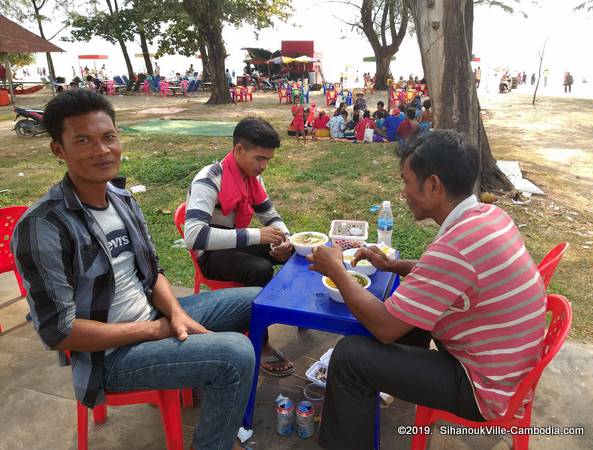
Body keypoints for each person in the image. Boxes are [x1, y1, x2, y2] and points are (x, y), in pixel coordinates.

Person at [11, 89, 257, 450]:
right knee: (235, 355)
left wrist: (174, 313)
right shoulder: (43, 227)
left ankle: (208, 384)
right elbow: (58, 332)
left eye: (108, 136)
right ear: (59, 150)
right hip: (109, 359)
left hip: (155, 316)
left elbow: (152, 270)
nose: (102, 150)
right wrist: (154, 330)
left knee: (258, 301)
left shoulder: (122, 199)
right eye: (83, 140)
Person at [308, 130, 546, 450]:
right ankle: (369, 399)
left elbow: (384, 327)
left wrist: (336, 270)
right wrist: (394, 266)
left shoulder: (456, 246)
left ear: (433, 186)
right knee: (409, 312)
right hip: (504, 368)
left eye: (406, 182)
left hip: (482, 388)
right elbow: (451, 277)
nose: (404, 192)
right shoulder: (488, 216)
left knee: (350, 357)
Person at [184, 117, 295, 376]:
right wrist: (256, 236)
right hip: (210, 253)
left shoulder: (252, 179)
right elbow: (194, 236)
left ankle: (294, 311)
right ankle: (261, 342)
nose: (264, 166)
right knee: (259, 268)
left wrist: (286, 239)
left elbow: (270, 216)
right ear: (238, 150)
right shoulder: (209, 179)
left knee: (292, 250)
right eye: (259, 159)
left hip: (235, 241)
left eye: (268, 160)